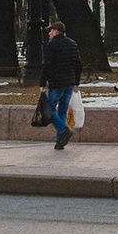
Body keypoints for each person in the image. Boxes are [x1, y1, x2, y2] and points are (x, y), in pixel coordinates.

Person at [39, 20, 82, 150]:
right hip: (69, 83)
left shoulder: (51, 45)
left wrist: (43, 83)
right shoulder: (72, 44)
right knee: (62, 112)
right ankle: (60, 142)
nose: (49, 33)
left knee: (49, 110)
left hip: (56, 83)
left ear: (56, 31)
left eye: (51, 31)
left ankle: (63, 131)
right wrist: (76, 82)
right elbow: (78, 64)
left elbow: (47, 66)